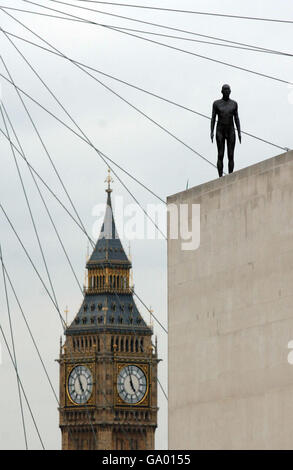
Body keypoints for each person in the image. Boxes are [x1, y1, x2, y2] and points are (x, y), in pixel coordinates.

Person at [211, 84, 241, 177]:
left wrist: (239, 131)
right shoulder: (216, 103)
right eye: (225, 90)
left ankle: (230, 176)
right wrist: (211, 131)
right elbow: (213, 118)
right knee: (220, 154)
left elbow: (236, 118)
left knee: (231, 155)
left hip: (231, 130)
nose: (227, 91)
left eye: (229, 90)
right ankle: (220, 176)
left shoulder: (234, 104)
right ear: (222, 91)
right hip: (220, 130)